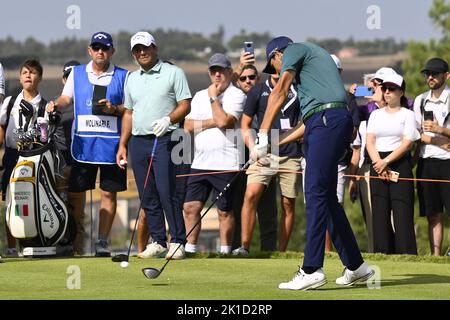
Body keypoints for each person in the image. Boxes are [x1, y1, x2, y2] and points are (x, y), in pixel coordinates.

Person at [253, 36, 374, 290]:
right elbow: (309, 121)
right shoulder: (314, 71)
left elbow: (280, 91)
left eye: (274, 65)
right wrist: (275, 142)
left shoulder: (295, 50)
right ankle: (356, 265)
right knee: (327, 198)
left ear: (277, 54)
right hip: (327, 121)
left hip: (326, 121)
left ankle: (311, 269)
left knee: (315, 193)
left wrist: (262, 135)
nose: (277, 70)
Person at [47, 32, 128, 257]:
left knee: (108, 194)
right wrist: (56, 105)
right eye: (96, 47)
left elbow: (129, 110)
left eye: (105, 47)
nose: (100, 51)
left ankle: (102, 241)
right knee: (75, 195)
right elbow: (65, 99)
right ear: (89, 50)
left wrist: (115, 109)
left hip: (111, 147)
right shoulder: (76, 73)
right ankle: (72, 239)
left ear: (112, 51)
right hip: (83, 147)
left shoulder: (124, 75)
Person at [116, 31, 191, 260]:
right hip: (138, 142)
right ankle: (158, 241)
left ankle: (178, 241)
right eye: (137, 50)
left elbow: (185, 104)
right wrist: (122, 145)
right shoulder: (132, 78)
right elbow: (128, 113)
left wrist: (169, 119)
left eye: (145, 48)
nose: (142, 52)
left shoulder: (174, 73)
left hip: (165, 138)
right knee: (147, 194)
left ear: (154, 48)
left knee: (167, 191)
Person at [233, 42, 302, 255]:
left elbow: (304, 121)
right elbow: (245, 125)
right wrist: (253, 148)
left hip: (291, 154)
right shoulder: (258, 90)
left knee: (288, 205)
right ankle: (244, 247)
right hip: (264, 154)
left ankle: (280, 252)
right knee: (250, 195)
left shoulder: (299, 88)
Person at [182, 53, 246, 255]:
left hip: (226, 162)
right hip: (200, 162)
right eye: (213, 71)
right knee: (190, 207)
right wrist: (212, 121)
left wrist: (213, 99)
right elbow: (187, 126)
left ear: (229, 72)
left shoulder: (237, 95)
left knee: (224, 211)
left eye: (221, 70)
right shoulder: (200, 95)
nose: (217, 74)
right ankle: (190, 249)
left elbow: (226, 122)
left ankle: (225, 252)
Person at [366, 73, 419, 255]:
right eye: (385, 89)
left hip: (399, 163)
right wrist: (378, 163)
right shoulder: (375, 114)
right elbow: (370, 141)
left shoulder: (408, 115)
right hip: (377, 163)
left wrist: (386, 161)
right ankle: (382, 254)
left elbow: (407, 143)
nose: (387, 92)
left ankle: (406, 254)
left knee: (402, 212)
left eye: (392, 89)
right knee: (379, 214)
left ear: (401, 92)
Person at [0, 59, 47, 257]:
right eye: (25, 72)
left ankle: (32, 244)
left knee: (33, 199)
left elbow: (45, 137)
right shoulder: (10, 102)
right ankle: (12, 247)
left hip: (34, 157)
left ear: (40, 77)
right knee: (10, 201)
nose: (28, 75)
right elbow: (2, 126)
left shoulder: (45, 105)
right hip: (12, 155)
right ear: (19, 77)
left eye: (33, 72)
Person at [232, 58, 279, 252]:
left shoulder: (262, 94)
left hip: (264, 150)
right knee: (240, 202)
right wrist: (239, 66)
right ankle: (238, 247)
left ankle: (268, 248)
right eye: (243, 78)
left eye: (252, 77)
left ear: (258, 78)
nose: (248, 81)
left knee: (267, 204)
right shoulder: (234, 96)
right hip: (238, 153)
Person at [413, 57, 450, 256]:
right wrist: (436, 140)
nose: (430, 77)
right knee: (432, 212)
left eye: (435, 74)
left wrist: (440, 129)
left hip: (448, 163)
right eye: (427, 73)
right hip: (427, 162)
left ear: (446, 75)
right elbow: (415, 133)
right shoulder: (420, 100)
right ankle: (436, 255)